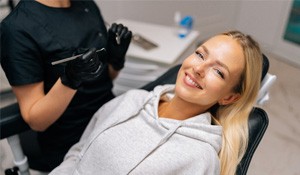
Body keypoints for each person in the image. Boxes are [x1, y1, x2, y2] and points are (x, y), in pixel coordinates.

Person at [49, 30, 263, 175]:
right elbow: (79, 153)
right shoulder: (132, 100)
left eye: (218, 71)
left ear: (229, 97)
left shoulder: (199, 158)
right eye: (200, 54)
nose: (198, 69)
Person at [0, 0, 132, 172]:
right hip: (72, 138)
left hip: (111, 116)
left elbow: (105, 79)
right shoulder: (17, 28)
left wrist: (116, 59)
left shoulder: (86, 5)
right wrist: (70, 80)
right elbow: (37, 121)